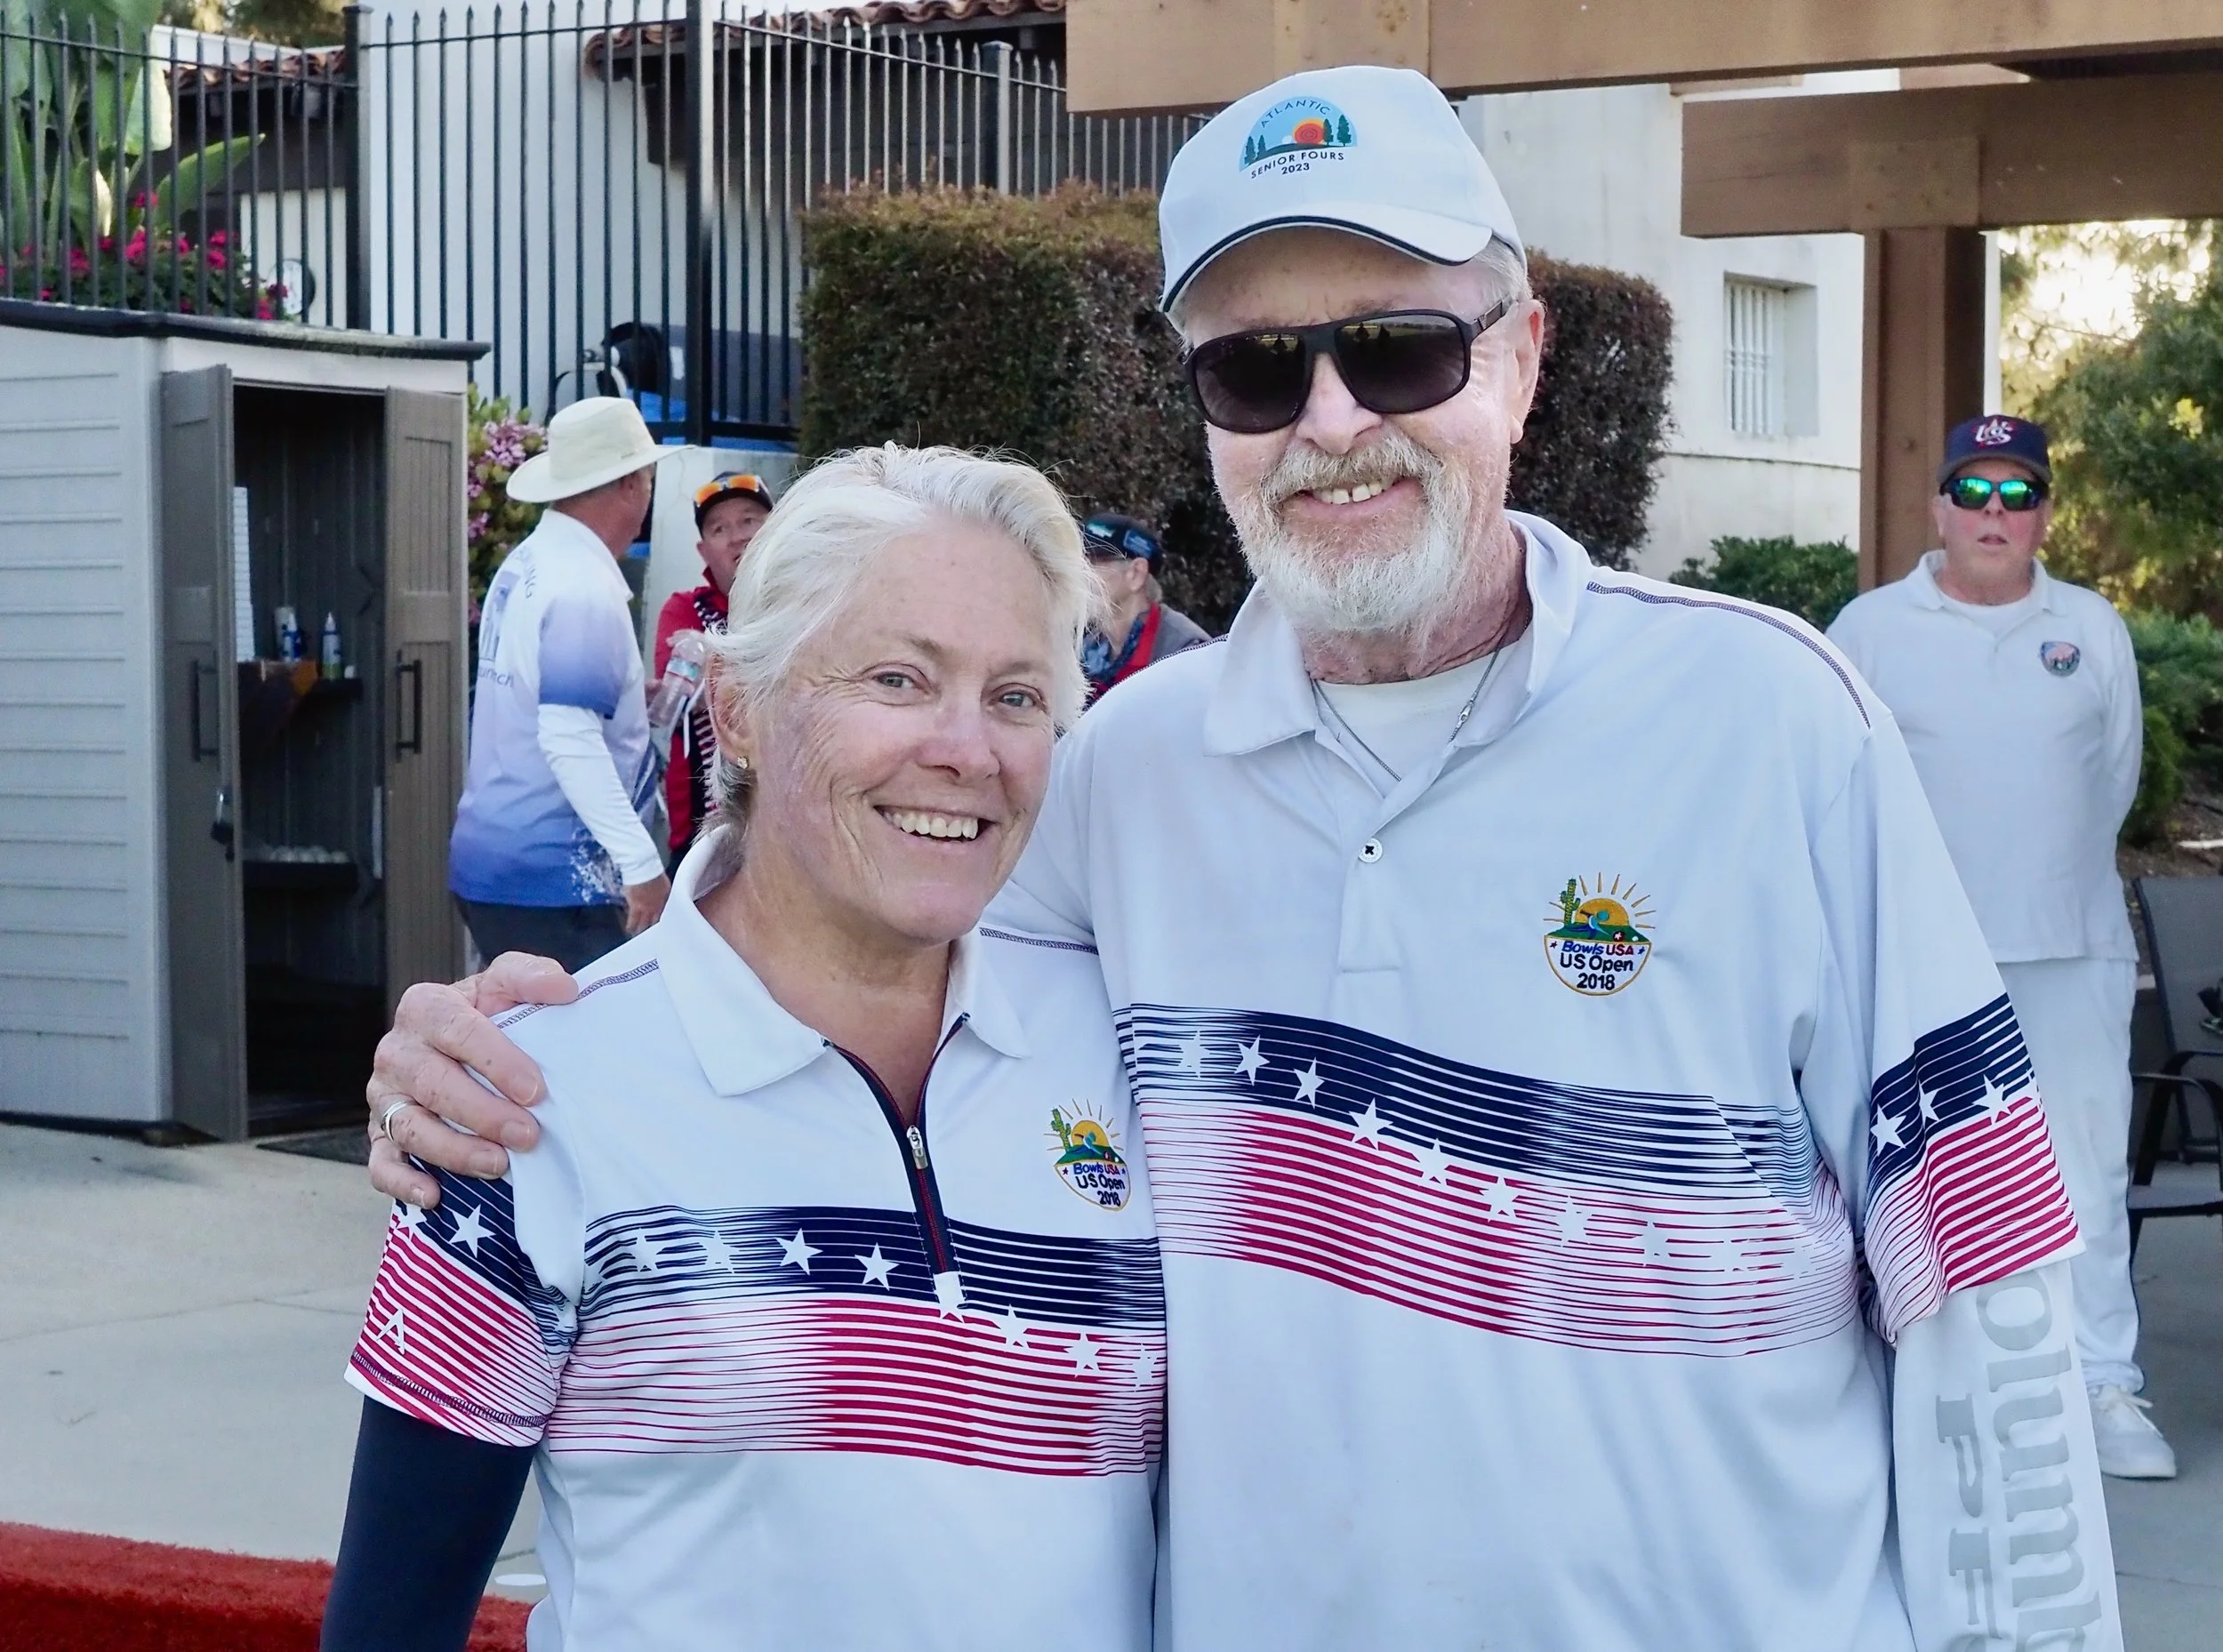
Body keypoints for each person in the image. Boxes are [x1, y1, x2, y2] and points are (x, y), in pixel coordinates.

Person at [365, 67, 2122, 1652]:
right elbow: (848, 973)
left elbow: (1989, 1294)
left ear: (1515, 356)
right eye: (1259, 366)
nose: (1332, 419)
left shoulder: (1771, 725)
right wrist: (506, 1052)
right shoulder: (1110, 778)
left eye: (1401, 348)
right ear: (1202, 408)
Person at [327, 446, 1164, 1652]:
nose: (968, 748)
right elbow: (389, 1622)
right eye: (898, 677)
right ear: (740, 709)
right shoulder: (518, 1094)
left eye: (1018, 695)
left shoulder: (1125, 1051)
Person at [1829, 414, 2167, 1480]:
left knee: (2083, 1175)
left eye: (2017, 495)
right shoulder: (1869, 628)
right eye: (1971, 492)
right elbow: (1835, 786)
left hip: (2069, 949)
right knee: (1907, 1171)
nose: (1992, 514)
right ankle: (1917, 1388)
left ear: (2044, 517)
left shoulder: (2093, 627)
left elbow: (2110, 781)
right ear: (1936, 508)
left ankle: (2102, 1385)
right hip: (1917, 958)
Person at [447, 397, 672, 973]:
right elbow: (568, 737)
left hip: (495, 868)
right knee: (588, 1055)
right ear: (628, 485)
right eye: (647, 478)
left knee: (524, 1046)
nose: (649, 496)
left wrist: (620, 701)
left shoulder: (527, 563)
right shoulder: (583, 589)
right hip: (557, 884)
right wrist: (641, 865)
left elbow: (537, 700)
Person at [652, 471, 774, 862]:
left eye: (749, 520)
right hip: (702, 834)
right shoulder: (684, 610)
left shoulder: (810, 603)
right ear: (704, 551)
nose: (738, 536)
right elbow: (687, 696)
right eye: (720, 528)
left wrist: (715, 656)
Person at [1079, 511, 1211, 702]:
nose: (1078, 574)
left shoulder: (1185, 650)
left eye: (1092, 562)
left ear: (1136, 573)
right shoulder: (1085, 649)